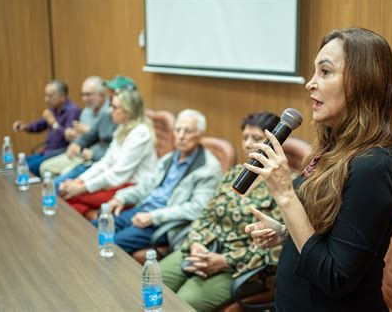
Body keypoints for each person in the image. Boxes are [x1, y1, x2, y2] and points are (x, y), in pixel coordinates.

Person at [244, 27, 392, 311]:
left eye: (325, 72)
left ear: (362, 83)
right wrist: (285, 232)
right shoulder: (336, 147)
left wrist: (285, 194)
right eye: (313, 72)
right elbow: (328, 236)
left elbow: (336, 277)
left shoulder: (376, 166)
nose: (310, 83)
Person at [159, 112, 283, 311]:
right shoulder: (235, 173)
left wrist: (225, 261)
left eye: (257, 139)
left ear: (276, 143)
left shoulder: (285, 184)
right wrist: (196, 243)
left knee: (183, 302)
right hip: (207, 246)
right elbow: (206, 214)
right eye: (245, 138)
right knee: (153, 280)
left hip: (242, 265)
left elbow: (277, 246)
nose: (249, 144)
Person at [92, 109, 222, 254]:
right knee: (95, 228)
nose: (181, 136)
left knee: (110, 244)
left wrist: (154, 217)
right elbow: (146, 186)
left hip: (163, 223)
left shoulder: (209, 168)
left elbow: (196, 208)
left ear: (200, 135)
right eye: (178, 130)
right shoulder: (170, 157)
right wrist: (121, 197)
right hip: (142, 210)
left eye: (188, 131)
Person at [59, 89, 157, 220]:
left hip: (131, 187)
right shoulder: (123, 127)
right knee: (67, 193)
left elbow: (118, 173)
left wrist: (81, 188)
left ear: (128, 111)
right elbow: (106, 162)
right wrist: (79, 181)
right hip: (116, 183)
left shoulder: (140, 133)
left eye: (115, 107)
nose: (110, 110)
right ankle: (95, 218)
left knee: (70, 196)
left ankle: (97, 221)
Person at [45, 76, 137, 191]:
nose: (110, 96)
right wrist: (77, 144)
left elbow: (116, 164)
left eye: (115, 92)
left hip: (103, 168)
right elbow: (92, 135)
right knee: (56, 181)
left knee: (60, 186)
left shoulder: (134, 129)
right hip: (93, 160)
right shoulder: (109, 115)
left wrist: (82, 186)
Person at [39, 76, 110, 178]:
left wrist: (89, 131)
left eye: (88, 95)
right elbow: (80, 138)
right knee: (45, 167)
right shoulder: (86, 112)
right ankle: (50, 193)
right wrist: (75, 142)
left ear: (101, 95)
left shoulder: (109, 113)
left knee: (64, 175)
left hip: (95, 156)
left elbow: (110, 142)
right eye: (83, 94)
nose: (84, 99)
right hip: (79, 153)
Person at [12, 79, 81, 176]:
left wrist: (53, 123)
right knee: (19, 162)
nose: (46, 99)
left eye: (50, 96)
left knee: (28, 168)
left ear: (63, 96)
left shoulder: (73, 111)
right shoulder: (53, 109)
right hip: (47, 151)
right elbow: (40, 124)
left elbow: (68, 137)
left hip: (60, 153)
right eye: (45, 95)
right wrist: (25, 126)